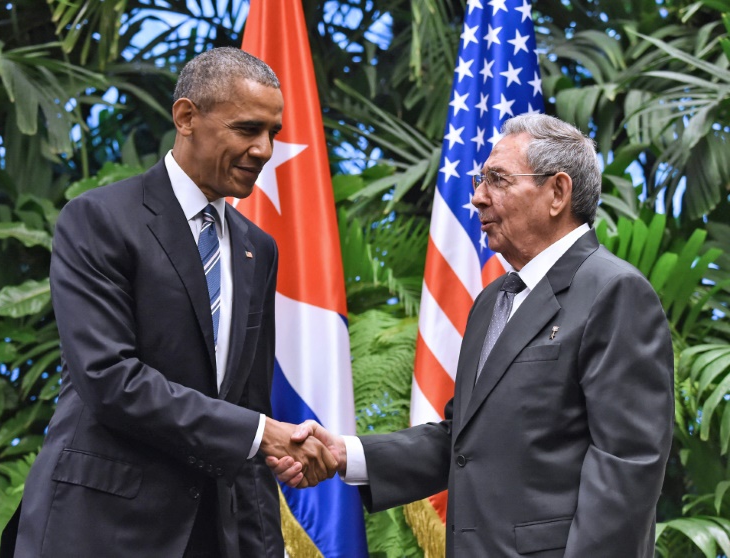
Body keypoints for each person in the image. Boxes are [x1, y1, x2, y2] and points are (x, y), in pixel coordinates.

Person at [271, 114, 674, 557]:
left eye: (498, 180)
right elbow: (462, 441)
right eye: (480, 180)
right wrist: (347, 452)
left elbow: (626, 470)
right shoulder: (491, 301)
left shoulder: (615, 292)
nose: (478, 197)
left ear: (558, 192)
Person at [0, 47, 336, 558]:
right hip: (96, 532)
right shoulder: (99, 219)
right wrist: (258, 432)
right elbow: (110, 380)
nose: (266, 150)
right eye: (248, 129)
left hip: (209, 536)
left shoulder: (256, 248)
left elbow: (247, 408)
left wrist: (264, 547)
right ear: (186, 117)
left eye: (274, 133)